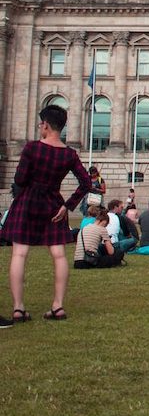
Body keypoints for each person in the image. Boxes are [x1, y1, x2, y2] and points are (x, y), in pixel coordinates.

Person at [1, 104, 91, 322]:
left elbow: (20, 179)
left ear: (47, 125)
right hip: (53, 204)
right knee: (58, 255)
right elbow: (86, 182)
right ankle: (58, 306)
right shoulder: (69, 154)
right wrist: (68, 205)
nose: (40, 126)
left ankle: (18, 308)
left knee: (20, 254)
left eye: (41, 123)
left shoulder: (32, 148)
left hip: (28, 202)